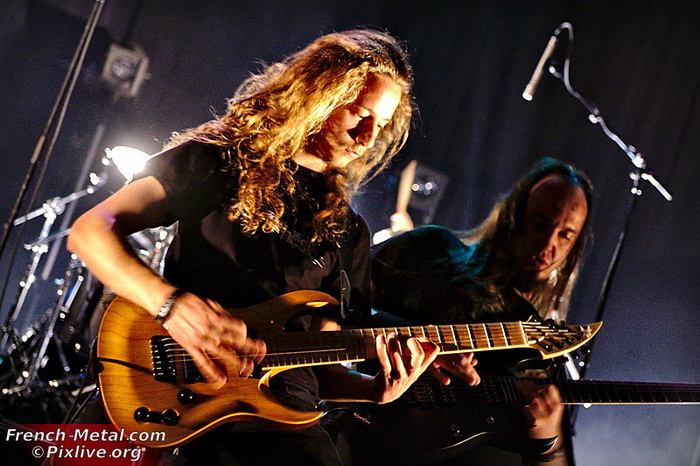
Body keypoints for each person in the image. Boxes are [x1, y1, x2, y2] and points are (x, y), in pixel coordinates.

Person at [67, 29, 478, 465]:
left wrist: (375, 390)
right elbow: (91, 230)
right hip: (167, 389)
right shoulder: (217, 160)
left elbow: (323, 366)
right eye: (359, 114)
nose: (367, 137)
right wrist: (171, 305)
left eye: (381, 124)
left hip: (279, 425)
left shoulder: (349, 233)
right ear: (317, 94)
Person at [370, 158, 593, 465]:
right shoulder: (431, 247)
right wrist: (416, 341)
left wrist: (548, 439)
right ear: (513, 215)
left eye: (565, 234)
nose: (548, 243)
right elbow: (339, 303)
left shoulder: (541, 345)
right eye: (540, 223)